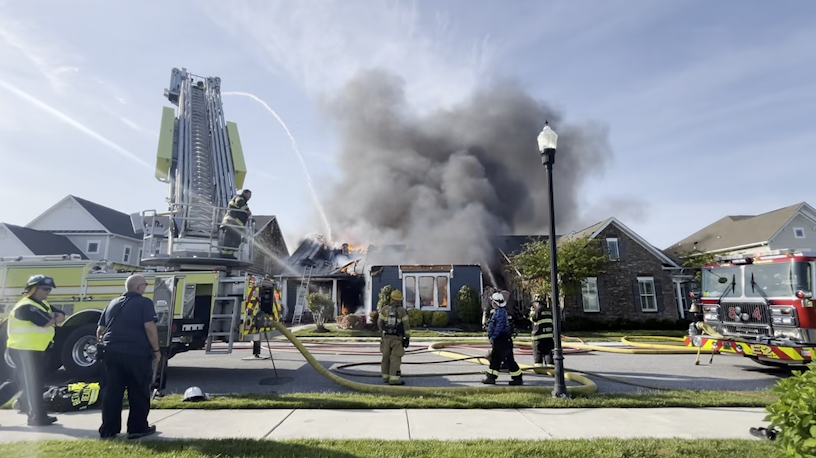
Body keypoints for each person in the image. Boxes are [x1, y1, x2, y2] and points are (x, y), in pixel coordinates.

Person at [97, 274, 160, 440]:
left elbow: (100, 330)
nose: (145, 287)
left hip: (111, 352)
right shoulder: (144, 302)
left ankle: (108, 429)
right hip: (136, 353)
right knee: (138, 390)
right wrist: (156, 350)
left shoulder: (112, 303)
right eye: (145, 285)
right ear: (139, 287)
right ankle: (137, 428)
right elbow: (150, 328)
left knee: (112, 391)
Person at [0, 275, 64, 426]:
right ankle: (37, 417)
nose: (48, 292)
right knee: (32, 383)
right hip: (22, 350)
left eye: (50, 289)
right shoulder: (26, 306)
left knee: (19, 383)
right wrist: (53, 318)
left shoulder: (43, 305)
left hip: (33, 350)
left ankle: (37, 416)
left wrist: (52, 317)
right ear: (33, 288)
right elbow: (45, 322)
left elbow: (62, 315)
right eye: (45, 289)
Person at [483, 292, 523, 385]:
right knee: (496, 359)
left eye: (492, 301)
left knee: (506, 360)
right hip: (502, 340)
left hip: (502, 340)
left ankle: (517, 378)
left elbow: (499, 327)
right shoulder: (499, 312)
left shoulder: (500, 313)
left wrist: (493, 337)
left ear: (495, 303)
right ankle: (491, 377)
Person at [377, 290, 411, 386]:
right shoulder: (402, 311)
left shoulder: (384, 309)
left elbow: (379, 322)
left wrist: (382, 332)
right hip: (397, 339)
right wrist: (407, 338)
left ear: (391, 299)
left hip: (386, 338)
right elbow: (406, 326)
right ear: (399, 300)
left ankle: (385, 377)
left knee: (386, 357)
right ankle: (394, 379)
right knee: (395, 358)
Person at [219, 189, 252, 258]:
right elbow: (239, 202)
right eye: (249, 195)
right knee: (233, 239)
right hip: (232, 222)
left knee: (235, 240)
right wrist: (247, 210)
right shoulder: (239, 197)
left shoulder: (242, 201)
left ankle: (229, 254)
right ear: (244, 193)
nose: (250, 197)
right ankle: (225, 254)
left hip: (234, 223)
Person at [529, 294, 555, 367]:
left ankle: (538, 365)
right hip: (549, 335)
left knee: (538, 351)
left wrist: (531, 312)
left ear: (537, 303)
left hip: (539, 336)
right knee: (548, 351)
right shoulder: (549, 310)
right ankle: (550, 365)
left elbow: (534, 319)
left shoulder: (537, 310)